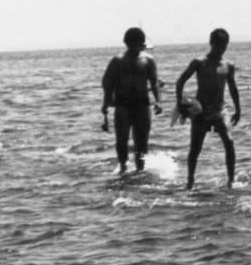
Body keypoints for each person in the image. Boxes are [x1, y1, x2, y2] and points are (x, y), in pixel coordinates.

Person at [174, 28, 242, 190]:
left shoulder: (228, 65)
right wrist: (180, 103)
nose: (221, 49)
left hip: (220, 110)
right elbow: (180, 81)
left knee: (229, 142)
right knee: (195, 149)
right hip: (201, 112)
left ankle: (231, 181)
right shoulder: (199, 63)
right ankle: (190, 181)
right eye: (218, 45)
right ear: (211, 44)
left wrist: (238, 109)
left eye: (224, 46)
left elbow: (233, 88)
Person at [100, 27, 162, 173]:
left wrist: (158, 101)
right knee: (121, 139)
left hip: (142, 104)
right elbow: (107, 82)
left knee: (142, 140)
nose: (135, 47)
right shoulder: (118, 61)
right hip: (123, 105)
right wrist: (106, 102)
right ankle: (123, 167)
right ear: (126, 43)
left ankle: (140, 169)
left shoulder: (148, 60)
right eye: (132, 43)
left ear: (142, 43)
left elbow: (154, 82)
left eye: (138, 43)